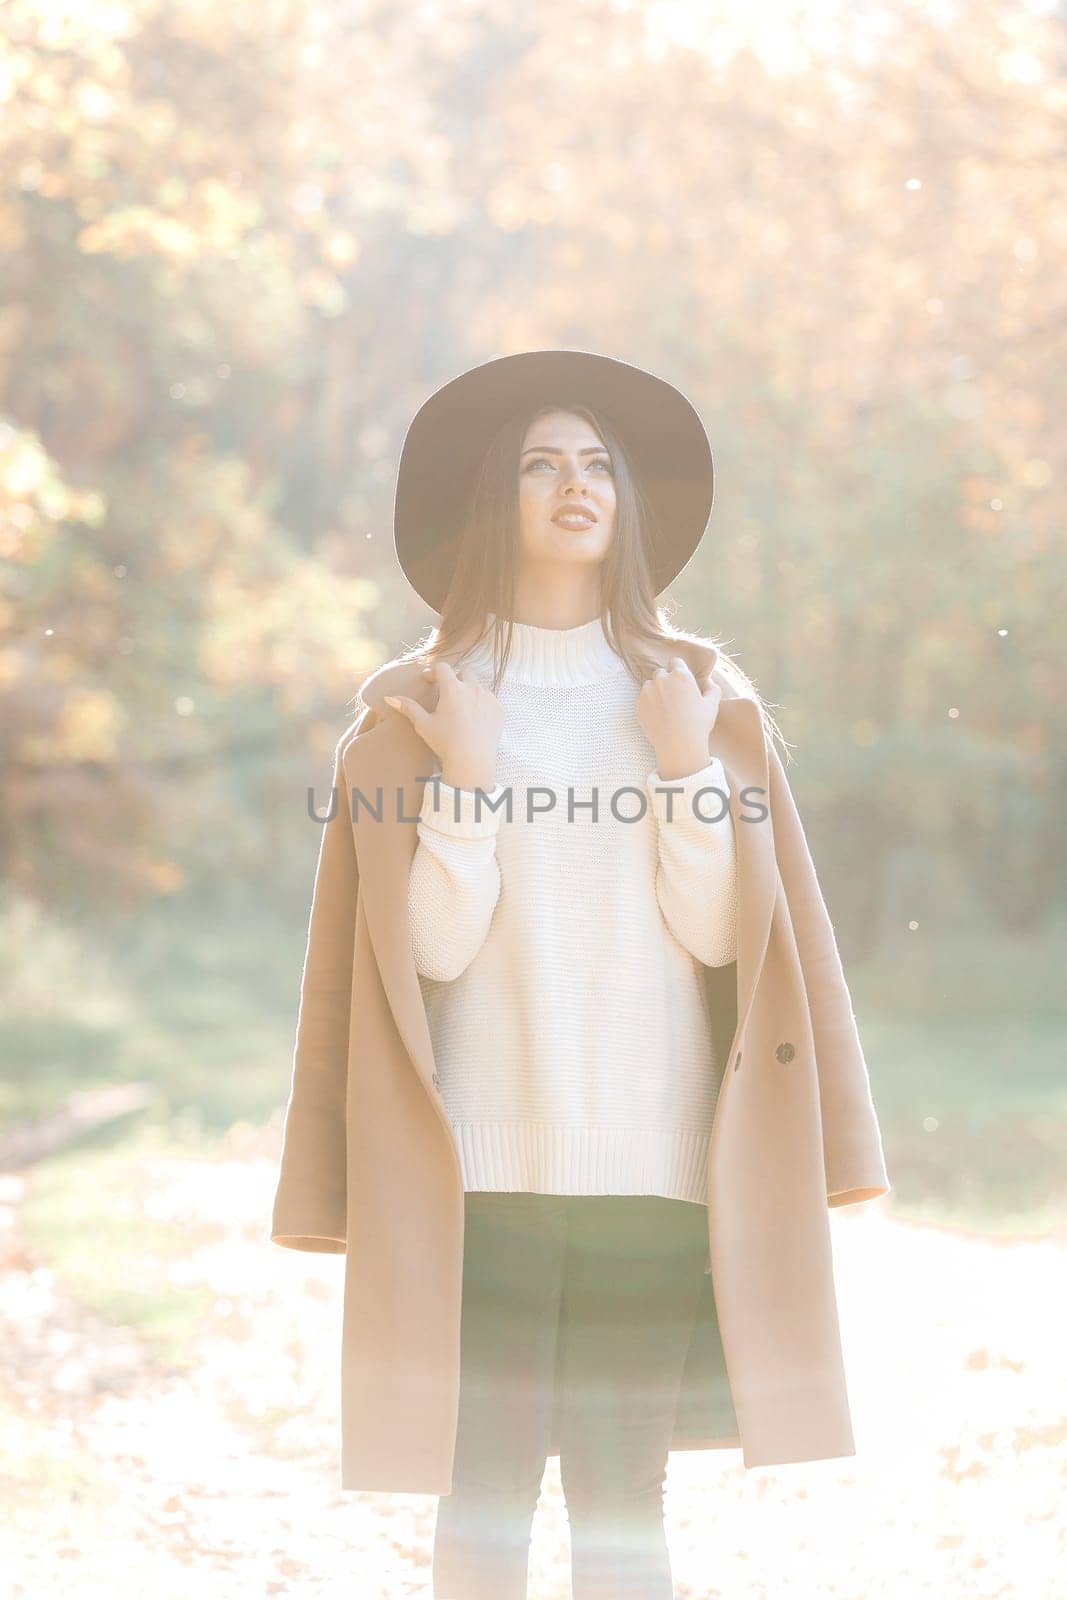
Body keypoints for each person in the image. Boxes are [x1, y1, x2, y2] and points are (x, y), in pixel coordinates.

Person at [376, 351, 780, 1600]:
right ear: (494, 500)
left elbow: (720, 939)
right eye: (541, 464)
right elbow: (428, 955)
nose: (575, 486)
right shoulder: (429, 702)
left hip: (649, 1163)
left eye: (597, 464)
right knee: (482, 1491)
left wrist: (680, 769)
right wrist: (467, 778)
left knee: (621, 1499)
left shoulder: (694, 696)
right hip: (477, 1172)